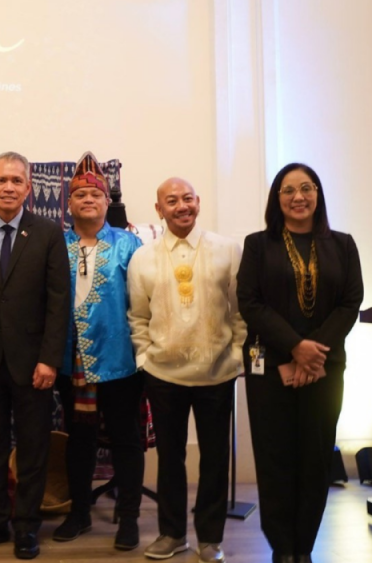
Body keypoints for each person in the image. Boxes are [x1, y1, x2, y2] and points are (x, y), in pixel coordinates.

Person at [237, 164, 363, 563]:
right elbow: (249, 302)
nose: (298, 197)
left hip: (325, 368)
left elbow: (350, 302)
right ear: (277, 199)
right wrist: (294, 347)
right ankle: (281, 548)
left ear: (318, 194)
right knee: (275, 459)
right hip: (269, 368)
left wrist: (314, 350)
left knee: (313, 459)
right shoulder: (258, 245)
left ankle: (304, 547)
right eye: (288, 190)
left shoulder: (343, 245)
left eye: (306, 188)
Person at [0, 151, 71, 560]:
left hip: (33, 365)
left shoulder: (49, 233)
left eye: (16, 181)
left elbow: (59, 301)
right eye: (1, 180)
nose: (8, 187)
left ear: (28, 187)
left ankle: (26, 528)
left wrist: (49, 359)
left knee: (33, 448)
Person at [128, 177, 246, 563]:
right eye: (172, 200)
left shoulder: (228, 250)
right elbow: (138, 317)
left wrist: (237, 356)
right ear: (158, 208)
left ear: (198, 202)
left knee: (214, 458)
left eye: (188, 199)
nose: (182, 206)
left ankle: (210, 539)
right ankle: (172, 534)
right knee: (170, 458)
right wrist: (145, 359)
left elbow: (241, 311)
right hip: (163, 376)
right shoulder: (143, 257)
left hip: (217, 374)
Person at [52, 152, 144, 550]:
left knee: (127, 440)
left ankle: (129, 518)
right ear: (69, 204)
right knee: (79, 439)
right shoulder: (54, 245)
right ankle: (79, 514)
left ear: (108, 202)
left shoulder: (130, 244)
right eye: (80, 194)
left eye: (95, 194)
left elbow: (144, 301)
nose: (88, 199)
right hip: (70, 362)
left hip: (121, 361)